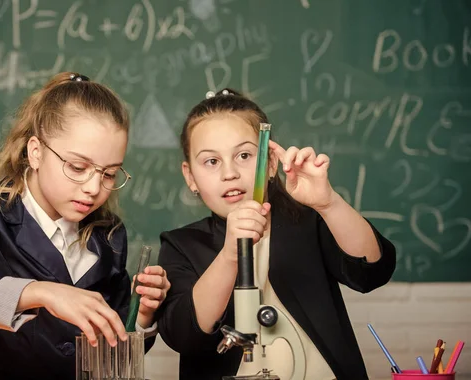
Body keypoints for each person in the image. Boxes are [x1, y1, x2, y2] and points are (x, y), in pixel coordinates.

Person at [0, 72, 171, 380]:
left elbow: (112, 353)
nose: (94, 187)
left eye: (109, 174)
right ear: (36, 152)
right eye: (78, 167)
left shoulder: (108, 235)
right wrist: (42, 293)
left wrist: (142, 313)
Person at [156, 88, 396, 380]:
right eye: (211, 161)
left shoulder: (309, 223)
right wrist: (231, 253)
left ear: (270, 164)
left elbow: (372, 272)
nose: (229, 173)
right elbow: (183, 335)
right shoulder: (181, 244)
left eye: (244, 155)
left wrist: (328, 203)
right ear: (190, 176)